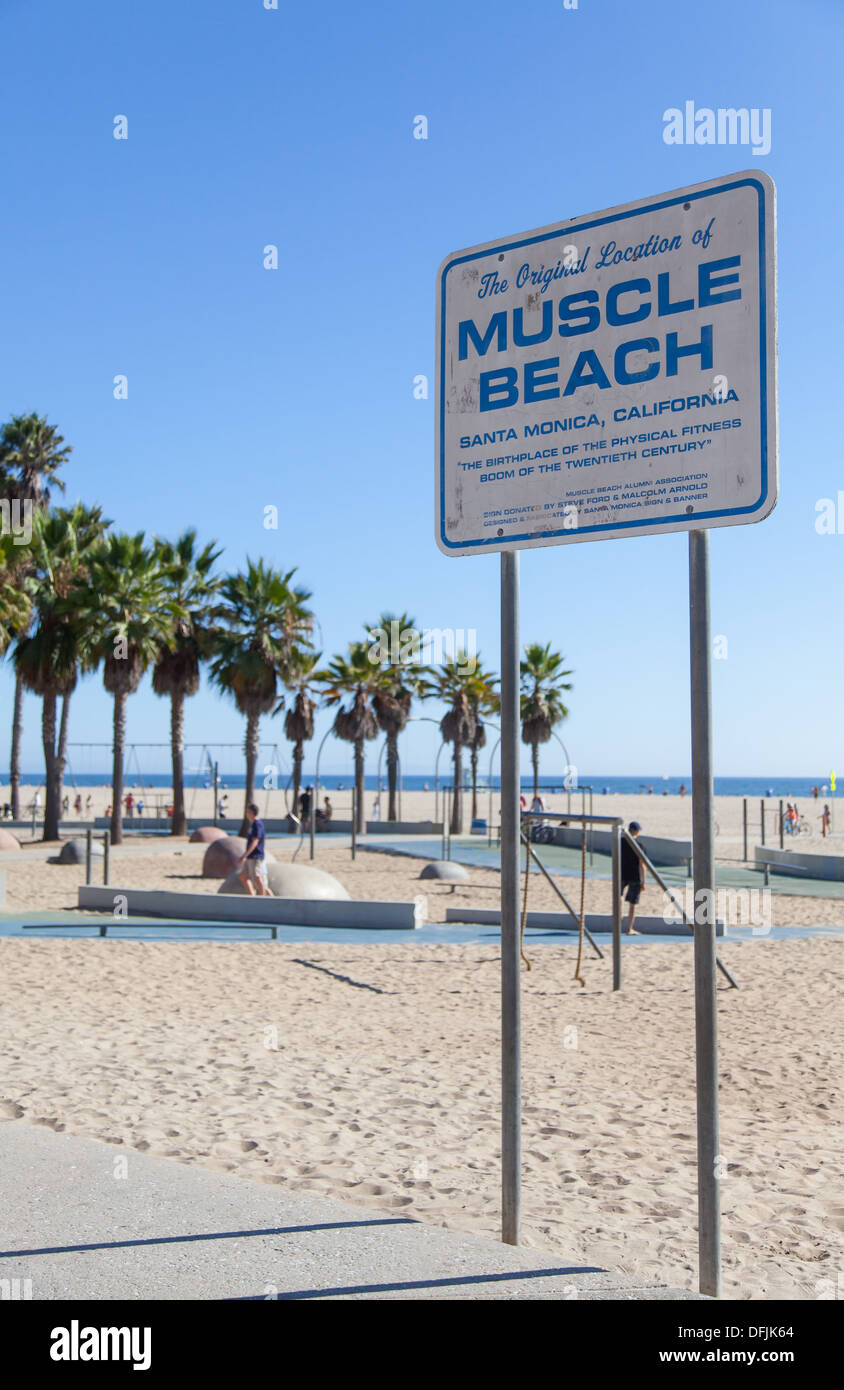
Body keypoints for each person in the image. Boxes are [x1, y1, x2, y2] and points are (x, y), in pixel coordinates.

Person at [237, 802, 273, 896]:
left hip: (256, 856)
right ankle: (252, 895)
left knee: (257, 877)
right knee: (243, 876)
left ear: (252, 813)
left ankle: (261, 898)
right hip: (251, 856)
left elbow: (255, 841)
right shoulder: (252, 825)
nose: (246, 814)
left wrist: (245, 855)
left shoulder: (257, 824)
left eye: (248, 812)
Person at [620, 821, 646, 935]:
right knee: (632, 903)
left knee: (619, 896)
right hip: (634, 875)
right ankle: (629, 928)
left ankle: (619, 914)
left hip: (622, 873)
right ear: (636, 831)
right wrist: (644, 881)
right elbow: (642, 865)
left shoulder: (620, 842)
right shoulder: (639, 846)